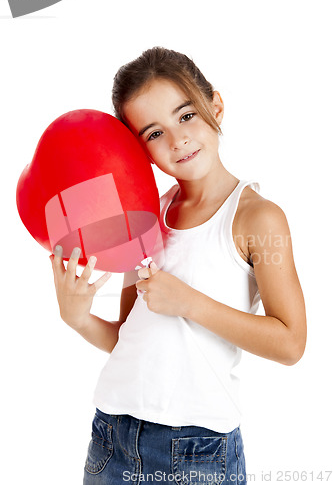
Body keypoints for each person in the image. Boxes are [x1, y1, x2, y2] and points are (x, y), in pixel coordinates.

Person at [50, 47, 307, 485]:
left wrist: (190, 303)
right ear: (141, 151)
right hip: (111, 435)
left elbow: (290, 344)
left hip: (197, 452)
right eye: (153, 133)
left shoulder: (256, 218)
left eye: (185, 115)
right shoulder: (145, 214)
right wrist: (76, 317)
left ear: (216, 105)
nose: (177, 140)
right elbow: (128, 339)